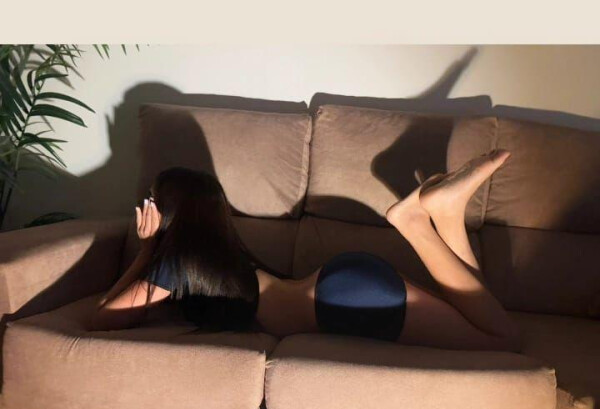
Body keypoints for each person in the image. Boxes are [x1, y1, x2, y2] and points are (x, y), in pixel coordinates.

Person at [88, 152, 522, 353]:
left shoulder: (177, 264)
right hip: (343, 285)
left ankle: (414, 223)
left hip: (346, 299)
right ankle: (447, 214)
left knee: (503, 342)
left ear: (167, 210)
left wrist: (147, 250)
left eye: (152, 199)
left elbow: (102, 319)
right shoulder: (219, 254)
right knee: (478, 318)